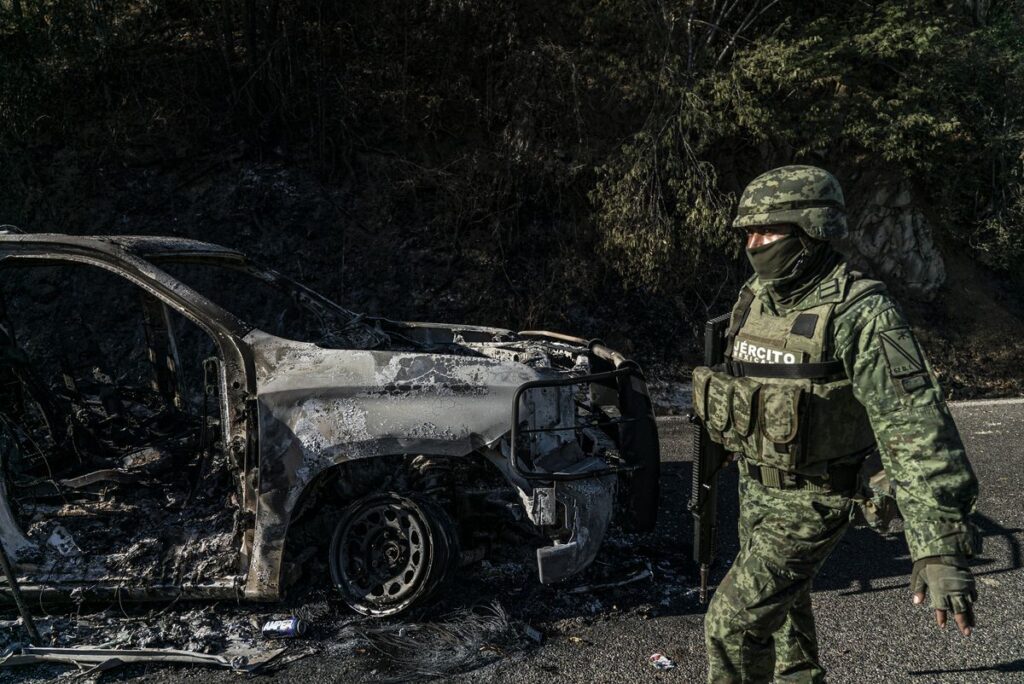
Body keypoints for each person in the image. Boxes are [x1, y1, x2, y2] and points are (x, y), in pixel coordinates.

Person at [692, 165, 980, 683]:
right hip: (755, 489)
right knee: (782, 621)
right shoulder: (755, 297)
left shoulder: (861, 312)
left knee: (731, 625)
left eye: (768, 231)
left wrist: (938, 547)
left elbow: (915, 425)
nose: (754, 243)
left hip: (816, 497)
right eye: (748, 232)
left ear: (812, 231)